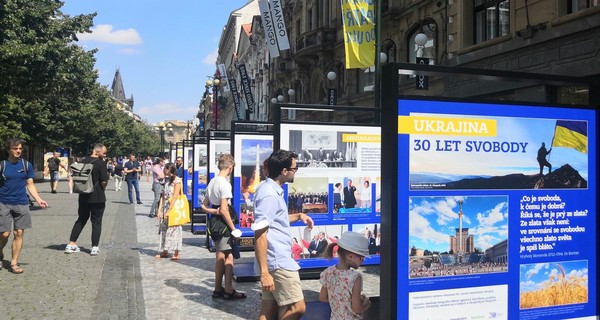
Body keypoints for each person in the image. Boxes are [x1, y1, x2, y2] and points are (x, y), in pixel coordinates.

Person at [253, 149, 314, 320]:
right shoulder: (269, 194)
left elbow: (276, 219)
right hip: (277, 262)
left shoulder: (269, 189)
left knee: (269, 309)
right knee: (298, 307)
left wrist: (300, 216)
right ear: (284, 171)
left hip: (274, 259)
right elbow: (260, 233)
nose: (296, 172)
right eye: (295, 168)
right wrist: (264, 272)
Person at [0, 138, 48, 273]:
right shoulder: (2, 165)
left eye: (20, 148)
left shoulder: (26, 165)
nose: (18, 151)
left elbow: (30, 184)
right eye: (15, 149)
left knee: (19, 232)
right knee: (4, 234)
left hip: (21, 202)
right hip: (3, 202)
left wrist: (39, 199)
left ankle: (14, 263)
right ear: (8, 150)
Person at [201, 154, 246, 300]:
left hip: (214, 223)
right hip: (224, 224)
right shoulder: (225, 184)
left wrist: (213, 211)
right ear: (230, 167)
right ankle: (228, 289)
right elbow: (225, 209)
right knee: (229, 256)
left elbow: (204, 206)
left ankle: (218, 288)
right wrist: (234, 229)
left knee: (220, 255)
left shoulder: (212, 182)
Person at [64, 143, 109, 256]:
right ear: (97, 151)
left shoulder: (83, 161)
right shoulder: (101, 163)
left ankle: (71, 243)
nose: (105, 155)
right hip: (97, 196)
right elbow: (104, 180)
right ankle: (94, 247)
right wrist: (103, 187)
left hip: (83, 195)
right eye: (103, 153)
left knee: (81, 219)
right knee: (97, 221)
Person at [319, 231, 371, 320]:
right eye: (362, 257)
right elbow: (356, 308)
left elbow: (322, 297)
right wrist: (366, 305)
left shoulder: (327, 272)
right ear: (350, 256)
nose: (363, 260)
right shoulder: (355, 277)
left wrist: (340, 302)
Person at [155, 163, 183, 260]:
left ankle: (176, 251)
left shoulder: (177, 181)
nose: (163, 171)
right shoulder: (166, 181)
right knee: (164, 229)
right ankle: (164, 250)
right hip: (165, 207)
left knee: (174, 230)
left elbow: (175, 196)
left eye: (165, 169)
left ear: (169, 170)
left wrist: (169, 211)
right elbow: (163, 196)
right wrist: (159, 210)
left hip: (174, 209)